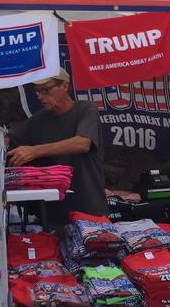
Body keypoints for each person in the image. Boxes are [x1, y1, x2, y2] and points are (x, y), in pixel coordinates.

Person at [8, 68, 107, 222]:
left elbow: (82, 143)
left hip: (88, 209)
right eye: (37, 91)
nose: (40, 96)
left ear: (64, 86)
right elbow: (9, 140)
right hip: (53, 214)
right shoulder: (38, 120)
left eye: (45, 90)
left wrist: (35, 151)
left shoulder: (86, 109)